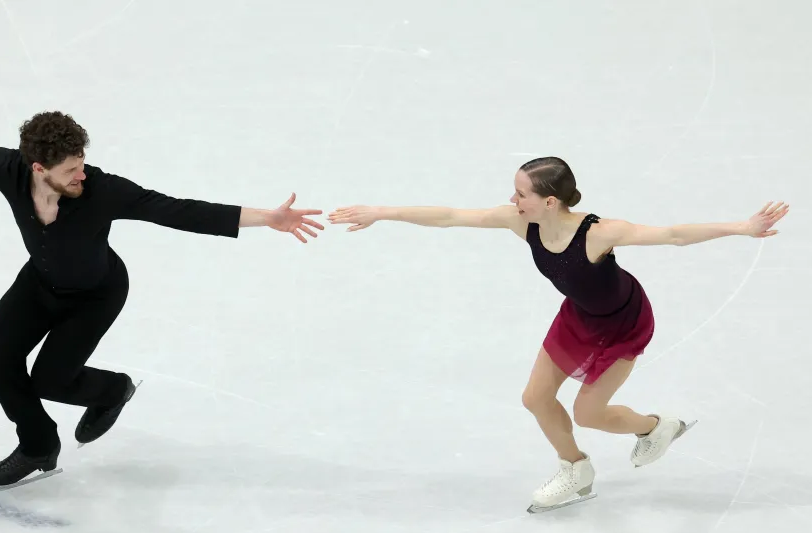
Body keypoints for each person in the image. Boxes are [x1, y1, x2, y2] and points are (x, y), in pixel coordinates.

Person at [0, 81, 325, 490]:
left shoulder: (104, 191)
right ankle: (38, 444)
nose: (81, 173)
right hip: (40, 284)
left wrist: (268, 219)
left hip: (96, 294)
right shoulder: (8, 170)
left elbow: (177, 210)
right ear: (38, 168)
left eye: (82, 162)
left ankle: (113, 390)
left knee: (50, 379)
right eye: (70, 169)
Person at [328, 156, 789, 512]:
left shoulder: (599, 233)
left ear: (551, 201)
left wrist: (742, 228)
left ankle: (656, 427)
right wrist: (381, 212)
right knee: (535, 398)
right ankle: (576, 469)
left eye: (520, 194)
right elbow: (450, 215)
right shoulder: (521, 222)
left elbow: (671, 234)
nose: (512, 201)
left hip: (623, 323)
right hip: (578, 318)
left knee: (589, 412)